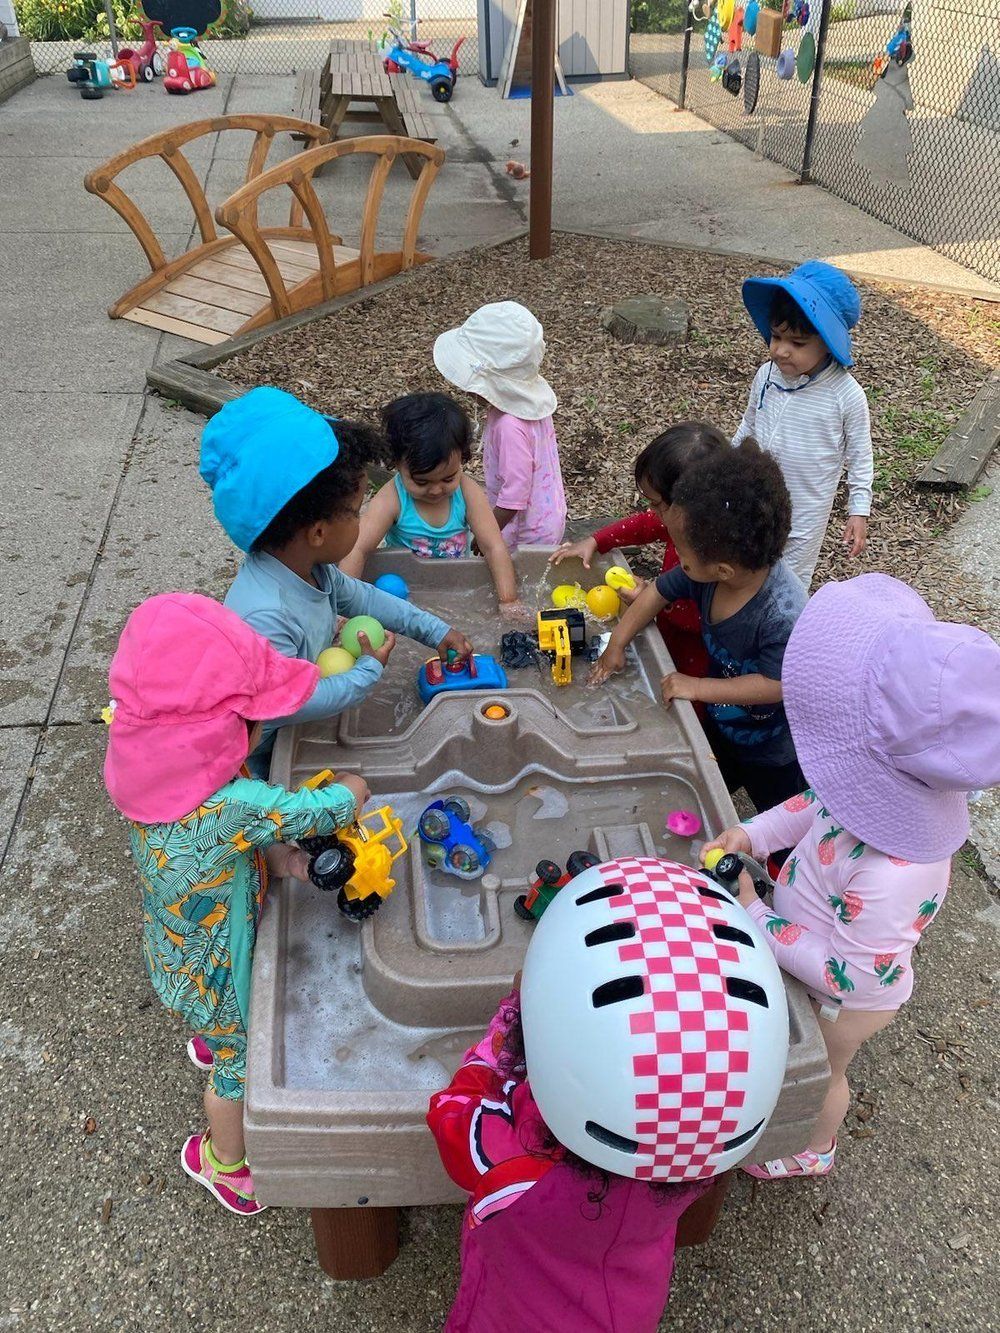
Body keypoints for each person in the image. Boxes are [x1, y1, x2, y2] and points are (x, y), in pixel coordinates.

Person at [702, 574, 1000, 1180]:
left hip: (848, 995)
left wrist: (757, 916)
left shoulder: (898, 874)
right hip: (807, 944)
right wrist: (752, 835)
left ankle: (815, 1145)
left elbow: (846, 972)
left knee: (822, 1071)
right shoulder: (864, 793)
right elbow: (813, 803)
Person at [427, 855, 790, 1331]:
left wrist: (505, 1030)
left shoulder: (516, 1166)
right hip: (629, 1302)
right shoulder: (694, 1149)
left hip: (512, 1313)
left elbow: (451, 1116)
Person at [103, 593, 370, 1217]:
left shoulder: (152, 784)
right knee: (237, 1070)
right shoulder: (233, 806)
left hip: (175, 949)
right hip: (221, 973)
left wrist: (276, 860)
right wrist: (354, 789)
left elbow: (204, 860)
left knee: (215, 1025)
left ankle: (207, 1036)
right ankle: (223, 1163)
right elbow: (318, 810)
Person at [200, 387, 472, 777]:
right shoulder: (265, 614)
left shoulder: (309, 567)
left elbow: (365, 598)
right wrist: (365, 672)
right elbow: (292, 701)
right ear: (318, 533)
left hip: (292, 728)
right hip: (254, 761)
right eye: (356, 512)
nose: (364, 521)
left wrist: (435, 630)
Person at [590, 438, 807, 812]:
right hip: (722, 725)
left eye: (683, 558)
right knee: (706, 798)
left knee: (783, 826)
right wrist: (617, 644)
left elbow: (776, 684)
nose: (678, 565)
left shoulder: (782, 613)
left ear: (722, 571)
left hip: (774, 747)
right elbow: (657, 591)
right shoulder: (705, 572)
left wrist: (698, 686)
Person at [734, 260, 874, 589]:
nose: (781, 350)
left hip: (804, 515)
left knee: (788, 584)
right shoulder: (766, 376)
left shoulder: (845, 395)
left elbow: (860, 457)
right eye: (776, 336)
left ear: (827, 342)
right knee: (746, 569)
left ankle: (786, 637)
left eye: (797, 343)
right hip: (755, 497)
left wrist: (859, 510)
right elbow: (748, 426)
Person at [550, 421, 728, 678]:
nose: (653, 513)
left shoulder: (717, 554)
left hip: (698, 662)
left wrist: (655, 603)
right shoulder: (681, 520)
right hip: (668, 637)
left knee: (687, 707)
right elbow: (644, 525)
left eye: (656, 504)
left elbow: (705, 619)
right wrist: (596, 540)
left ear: (689, 505)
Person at [340, 392, 523, 611]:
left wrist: (508, 601)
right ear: (397, 464)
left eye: (448, 478)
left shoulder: (466, 492)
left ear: (462, 460)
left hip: (454, 587)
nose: (436, 490)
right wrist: (344, 608)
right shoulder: (392, 498)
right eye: (422, 482)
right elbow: (357, 549)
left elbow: (494, 547)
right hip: (406, 590)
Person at [433, 301, 567, 550]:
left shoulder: (509, 425)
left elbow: (514, 499)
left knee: (516, 576)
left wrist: (487, 536)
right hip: (546, 512)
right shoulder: (526, 409)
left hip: (526, 531)